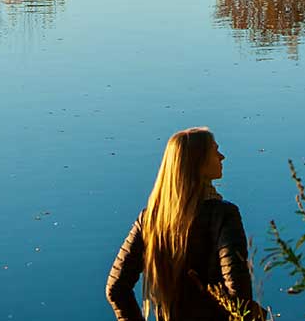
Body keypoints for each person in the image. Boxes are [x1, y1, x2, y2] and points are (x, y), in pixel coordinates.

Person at [106, 127, 261, 321]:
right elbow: (239, 296)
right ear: (199, 163)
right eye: (215, 151)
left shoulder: (150, 219)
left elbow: (116, 289)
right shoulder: (223, 215)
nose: (222, 157)